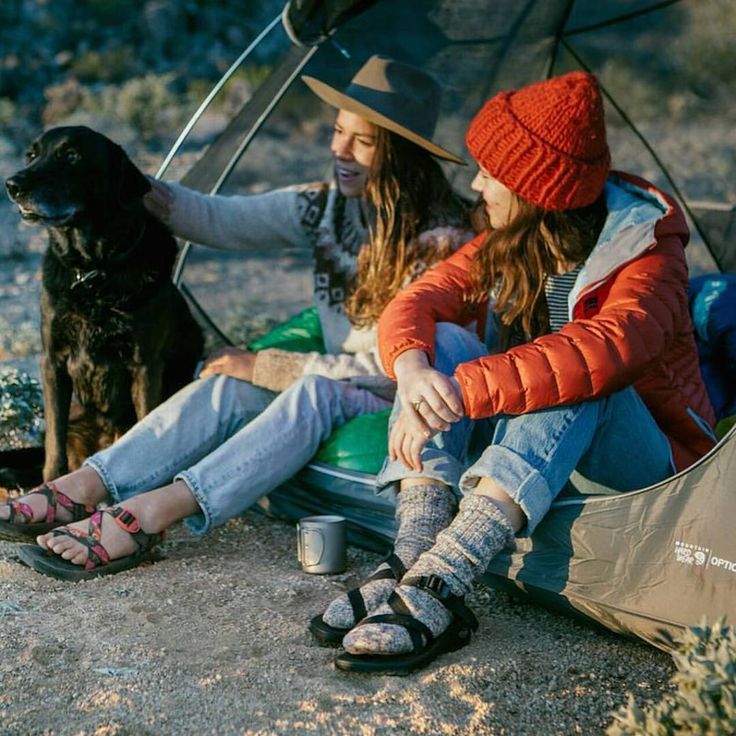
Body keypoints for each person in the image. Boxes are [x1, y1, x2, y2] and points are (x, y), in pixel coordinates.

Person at [0, 55, 472, 581]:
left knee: (301, 389)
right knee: (223, 389)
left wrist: (265, 365)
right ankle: (77, 488)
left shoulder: (444, 242)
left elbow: (397, 369)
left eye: (362, 142)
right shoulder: (326, 207)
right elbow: (213, 217)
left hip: (395, 394)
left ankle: (146, 519)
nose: (339, 150)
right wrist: (115, 175)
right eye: (338, 131)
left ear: (401, 154)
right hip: (338, 379)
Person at [318, 71, 717, 675]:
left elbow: (599, 353)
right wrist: (415, 367)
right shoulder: (514, 236)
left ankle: (446, 582)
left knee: (580, 378)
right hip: (542, 446)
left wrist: (456, 391)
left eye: (489, 172)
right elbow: (418, 301)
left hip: (652, 465)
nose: (475, 183)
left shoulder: (646, 253)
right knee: (445, 339)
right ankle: (412, 557)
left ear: (535, 189)